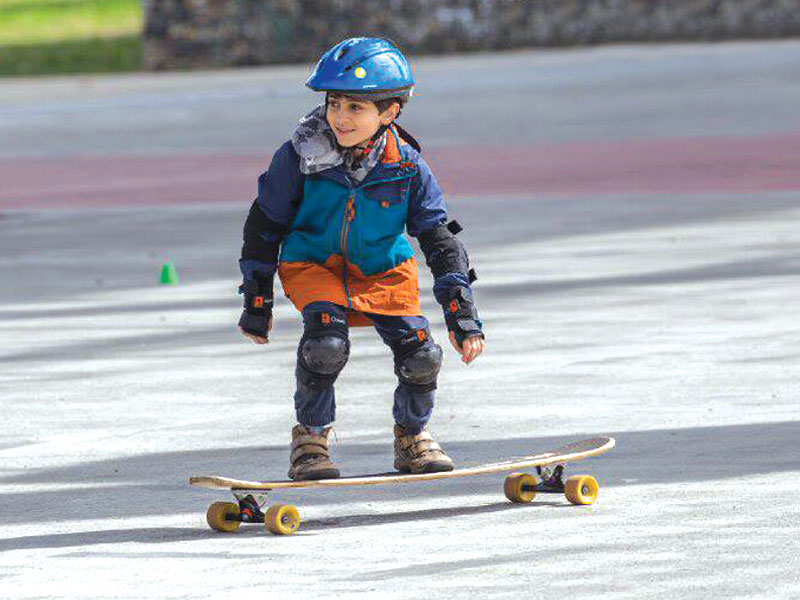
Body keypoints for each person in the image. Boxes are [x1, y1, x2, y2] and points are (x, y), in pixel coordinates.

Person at [237, 37, 485, 481]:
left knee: (422, 356)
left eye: (356, 107)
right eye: (335, 104)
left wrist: (461, 315)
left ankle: (412, 437)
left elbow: (439, 237)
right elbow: (264, 225)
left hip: (384, 268)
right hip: (315, 265)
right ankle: (311, 439)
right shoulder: (298, 156)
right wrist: (258, 300)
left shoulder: (407, 166)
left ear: (389, 112)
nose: (340, 117)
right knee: (325, 346)